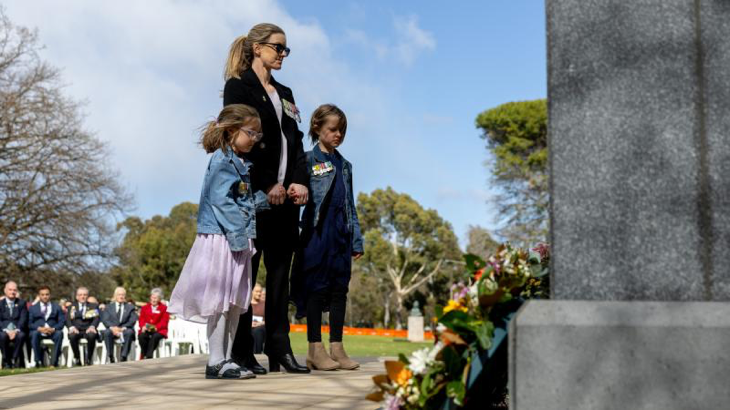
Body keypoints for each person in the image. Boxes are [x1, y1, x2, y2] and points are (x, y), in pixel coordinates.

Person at [224, 23, 310, 375]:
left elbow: (296, 139)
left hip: (286, 202)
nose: (283, 54)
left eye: (286, 49)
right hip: (254, 200)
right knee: (248, 275)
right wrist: (265, 184)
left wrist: (299, 182)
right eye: (278, 48)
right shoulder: (238, 86)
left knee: (279, 277)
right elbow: (239, 139)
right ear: (258, 48)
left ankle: (280, 348)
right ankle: (243, 350)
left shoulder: (286, 93)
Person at [168, 104, 269, 380]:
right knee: (221, 301)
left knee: (235, 301)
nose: (255, 139)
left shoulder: (239, 163)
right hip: (223, 239)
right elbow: (221, 200)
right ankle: (216, 360)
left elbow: (241, 200)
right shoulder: (222, 161)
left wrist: (266, 199)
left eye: (258, 135)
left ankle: (226, 357)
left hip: (236, 239)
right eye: (251, 133)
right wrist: (238, 237)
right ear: (232, 130)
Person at [291, 105, 364, 371]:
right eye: (333, 129)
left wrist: (356, 238)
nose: (338, 134)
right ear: (317, 128)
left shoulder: (345, 165)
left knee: (339, 290)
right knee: (316, 288)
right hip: (317, 233)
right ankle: (314, 349)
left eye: (342, 130)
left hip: (341, 234)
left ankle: (337, 348)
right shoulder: (307, 159)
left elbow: (350, 204)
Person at [28, 286, 65, 367]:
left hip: (52, 332)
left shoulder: (57, 307)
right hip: (38, 331)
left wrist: (53, 329)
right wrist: (39, 328)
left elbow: (62, 322)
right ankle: (38, 361)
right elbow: (29, 323)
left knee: (59, 334)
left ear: (50, 295)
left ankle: (54, 362)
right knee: (34, 334)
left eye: (47, 294)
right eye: (42, 294)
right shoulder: (33, 308)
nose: (45, 296)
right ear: (39, 295)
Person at [101, 287, 137, 363]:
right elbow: (105, 320)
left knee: (129, 332)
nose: (121, 296)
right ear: (115, 296)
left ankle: (123, 356)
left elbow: (132, 320)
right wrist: (112, 328)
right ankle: (111, 356)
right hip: (112, 330)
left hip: (125, 329)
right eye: (119, 295)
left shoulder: (130, 307)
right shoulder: (108, 307)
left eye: (123, 295)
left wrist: (123, 328)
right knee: (107, 332)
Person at [67, 287, 101, 366]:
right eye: (80, 295)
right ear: (77, 297)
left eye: (85, 295)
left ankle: (88, 358)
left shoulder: (93, 306)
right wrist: (72, 327)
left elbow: (96, 318)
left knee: (92, 335)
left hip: (88, 329)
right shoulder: (71, 306)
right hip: (76, 330)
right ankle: (77, 358)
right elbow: (68, 319)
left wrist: (92, 326)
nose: (82, 296)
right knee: (72, 336)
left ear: (87, 296)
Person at [0, 281, 28, 368]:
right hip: (3, 329)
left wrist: (16, 330)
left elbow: (23, 318)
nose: (12, 292)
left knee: (21, 335)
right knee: (2, 336)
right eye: (10, 290)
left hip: (17, 329)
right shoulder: (0, 304)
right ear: (5, 291)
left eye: (14, 290)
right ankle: (6, 360)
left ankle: (15, 358)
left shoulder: (22, 303)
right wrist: (6, 330)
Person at [138, 288, 170, 359]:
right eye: (152, 297)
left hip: (159, 330)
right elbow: (141, 319)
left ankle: (148, 356)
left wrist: (154, 328)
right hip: (146, 329)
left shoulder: (164, 308)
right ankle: (145, 353)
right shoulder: (144, 307)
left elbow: (164, 322)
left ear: (159, 299)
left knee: (155, 337)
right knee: (141, 336)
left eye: (155, 298)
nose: (153, 300)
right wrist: (143, 326)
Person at [250, 283, 265, 354]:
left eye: (260, 291)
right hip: (249, 326)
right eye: (257, 291)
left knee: (257, 331)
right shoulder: (247, 304)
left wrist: (261, 323)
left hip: (261, 327)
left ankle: (257, 354)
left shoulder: (264, 304)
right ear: (252, 291)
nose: (259, 293)